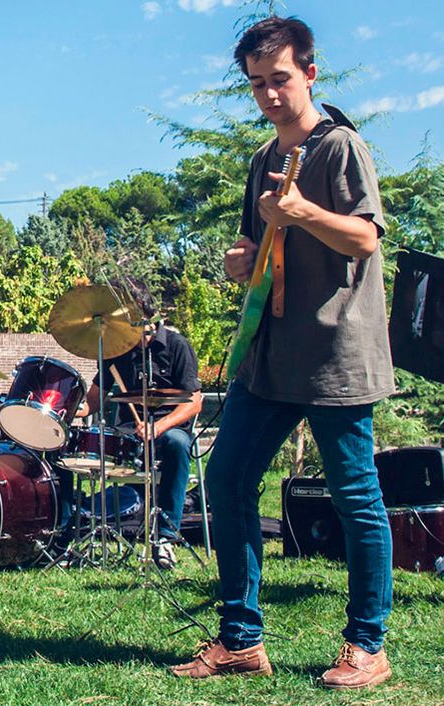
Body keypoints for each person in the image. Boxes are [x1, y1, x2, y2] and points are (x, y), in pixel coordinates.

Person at [171, 16, 394, 689]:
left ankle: (368, 646)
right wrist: (242, 262)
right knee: (228, 479)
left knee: (356, 496)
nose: (269, 94)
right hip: (269, 355)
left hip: (334, 352)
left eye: (281, 79)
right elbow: (256, 251)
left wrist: (300, 213)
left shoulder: (341, 147)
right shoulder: (260, 160)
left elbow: (364, 239)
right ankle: (241, 639)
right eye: (257, 84)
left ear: (310, 74)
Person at [79, 279, 202, 569]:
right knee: (81, 444)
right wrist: (62, 412)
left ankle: (165, 540)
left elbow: (194, 402)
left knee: (177, 443)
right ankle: (76, 522)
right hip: (127, 437)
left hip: (168, 432)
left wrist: (158, 427)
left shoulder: (176, 346)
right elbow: (93, 400)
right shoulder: (115, 352)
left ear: (141, 317)